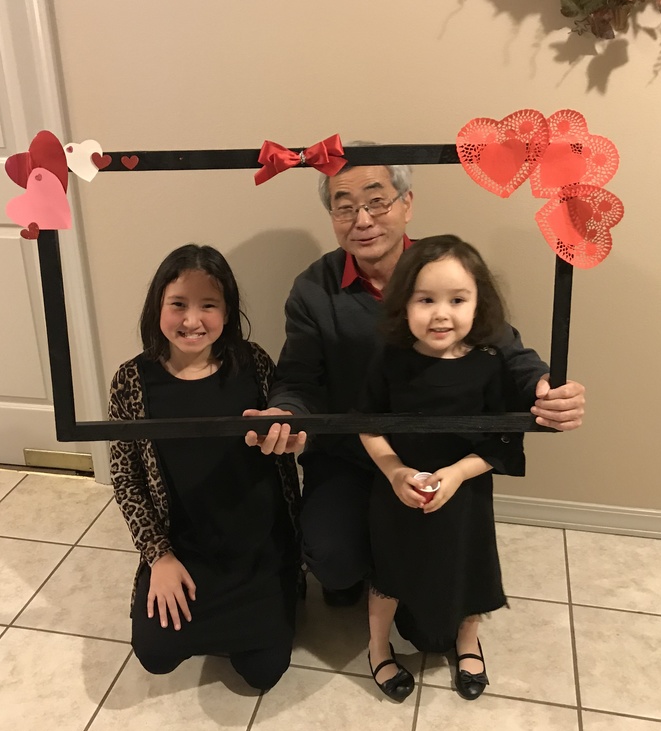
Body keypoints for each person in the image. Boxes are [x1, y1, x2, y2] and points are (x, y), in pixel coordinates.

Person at [243, 160, 585, 610]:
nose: (362, 220)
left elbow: (505, 349)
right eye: (345, 207)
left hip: (435, 452)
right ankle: (362, 571)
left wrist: (543, 384)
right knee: (333, 560)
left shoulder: (448, 269)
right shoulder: (313, 288)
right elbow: (299, 377)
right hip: (349, 453)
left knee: (440, 561)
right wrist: (285, 412)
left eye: (376, 201)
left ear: (407, 204)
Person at [108, 244, 301, 691]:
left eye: (208, 305)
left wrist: (289, 436)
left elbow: (286, 439)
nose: (192, 320)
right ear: (158, 306)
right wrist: (158, 556)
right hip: (183, 549)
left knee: (263, 672)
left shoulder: (254, 363)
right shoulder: (131, 380)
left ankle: (280, 597)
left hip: (256, 550)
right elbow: (125, 478)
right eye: (178, 304)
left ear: (228, 311)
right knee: (156, 656)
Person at [358, 234, 529, 702]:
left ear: (479, 303)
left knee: (469, 564)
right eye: (425, 300)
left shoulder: (489, 364)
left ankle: (468, 640)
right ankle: (377, 646)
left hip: (466, 490)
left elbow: (502, 440)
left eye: (457, 300)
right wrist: (396, 472)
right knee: (390, 570)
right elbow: (367, 426)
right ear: (403, 303)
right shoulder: (389, 359)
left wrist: (457, 473)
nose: (441, 314)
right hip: (396, 487)